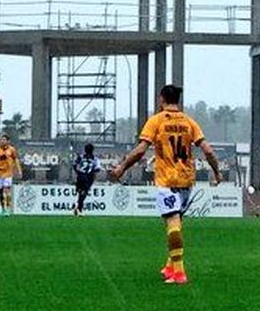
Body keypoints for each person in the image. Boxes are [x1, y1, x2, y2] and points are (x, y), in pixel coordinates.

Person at [110, 85, 222, 284]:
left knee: (172, 225)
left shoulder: (157, 121)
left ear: (161, 99)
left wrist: (122, 167)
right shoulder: (189, 122)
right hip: (187, 180)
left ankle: (179, 273)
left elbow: (140, 151)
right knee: (176, 224)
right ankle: (170, 266)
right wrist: (217, 172)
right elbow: (209, 151)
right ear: (178, 100)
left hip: (167, 180)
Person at [0, 133, 21, 215]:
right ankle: (3, 209)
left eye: (4, 140)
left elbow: (16, 160)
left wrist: (19, 170)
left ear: (8, 141)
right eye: (1, 140)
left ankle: (8, 209)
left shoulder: (12, 150)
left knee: (6, 191)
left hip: (8, 173)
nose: (2, 141)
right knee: (0, 192)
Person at [72, 142, 99, 216]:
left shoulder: (81, 157)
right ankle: (79, 208)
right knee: (84, 193)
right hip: (88, 177)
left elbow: (74, 165)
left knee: (80, 192)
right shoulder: (95, 159)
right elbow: (97, 169)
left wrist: (77, 172)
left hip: (80, 175)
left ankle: (77, 206)